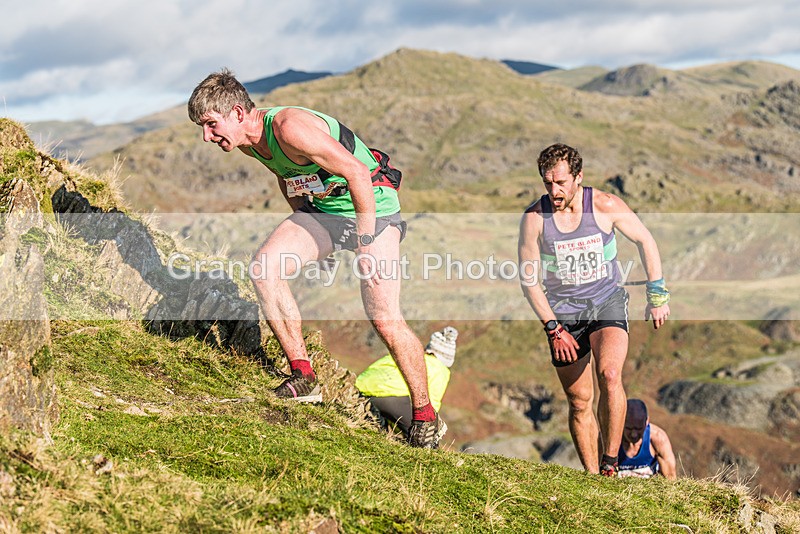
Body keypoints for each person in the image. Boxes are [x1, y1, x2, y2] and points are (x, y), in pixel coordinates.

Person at [187, 69, 444, 448]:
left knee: (384, 318)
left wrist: (366, 240)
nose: (207, 136)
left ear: (238, 113)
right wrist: (304, 216)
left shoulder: (289, 128)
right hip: (325, 210)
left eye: (211, 124)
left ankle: (425, 418)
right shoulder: (248, 142)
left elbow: (357, 172)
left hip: (371, 207)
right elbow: (286, 173)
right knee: (264, 270)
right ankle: (303, 376)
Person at [517, 143, 670, 476]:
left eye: (560, 183)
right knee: (580, 401)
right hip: (564, 314)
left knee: (610, 375)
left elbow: (646, 240)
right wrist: (553, 328)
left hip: (606, 300)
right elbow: (529, 281)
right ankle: (591, 477)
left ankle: (611, 464)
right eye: (547, 183)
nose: (554, 191)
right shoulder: (534, 219)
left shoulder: (604, 205)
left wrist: (657, 295)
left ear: (578, 177)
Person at [356, 327, 457, 443]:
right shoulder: (440, 369)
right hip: (391, 398)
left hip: (361, 389)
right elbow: (431, 402)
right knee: (427, 436)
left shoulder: (408, 356)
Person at [618, 399, 677, 479]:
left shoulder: (658, 438)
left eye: (638, 428)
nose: (634, 434)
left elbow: (670, 477)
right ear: (621, 422)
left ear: (647, 421)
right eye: (629, 428)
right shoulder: (608, 439)